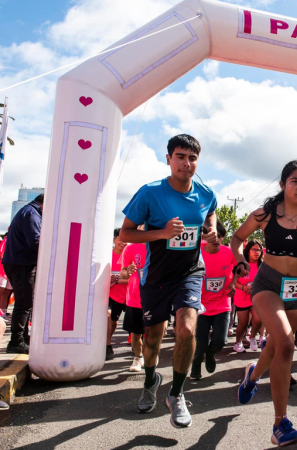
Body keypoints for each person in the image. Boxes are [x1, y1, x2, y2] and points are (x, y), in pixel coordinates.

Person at [120, 134, 218, 428]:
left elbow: (210, 214)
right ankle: (151, 380)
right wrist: (161, 233)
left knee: (187, 330)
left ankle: (176, 394)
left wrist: (211, 233)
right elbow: (125, 233)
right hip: (156, 277)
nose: (186, 164)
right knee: (153, 337)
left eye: (192, 158)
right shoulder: (149, 193)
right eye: (180, 157)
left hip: (189, 272)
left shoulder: (206, 193)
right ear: (168, 159)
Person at [233, 160, 297, 447]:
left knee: (277, 346)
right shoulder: (266, 214)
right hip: (267, 283)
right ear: (282, 184)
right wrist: (240, 260)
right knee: (286, 344)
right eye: (295, 181)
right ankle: (280, 423)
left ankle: (252, 375)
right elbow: (237, 237)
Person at [190, 221, 237, 379]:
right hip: (201, 305)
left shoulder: (228, 253)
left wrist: (234, 281)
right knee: (200, 343)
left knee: (220, 340)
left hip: (222, 304)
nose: (217, 240)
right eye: (213, 237)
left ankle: (210, 355)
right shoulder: (197, 252)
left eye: (221, 237)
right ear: (205, 237)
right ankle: (196, 365)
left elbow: (240, 266)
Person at [2, 193, 43, 354]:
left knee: (25, 302)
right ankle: (16, 341)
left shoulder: (29, 212)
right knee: (24, 303)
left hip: (18, 262)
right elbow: (36, 241)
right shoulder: (32, 214)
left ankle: (23, 339)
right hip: (22, 263)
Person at [119, 241, 147, 372]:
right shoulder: (130, 248)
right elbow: (123, 272)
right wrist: (127, 272)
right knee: (135, 334)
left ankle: (151, 354)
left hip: (155, 299)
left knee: (155, 333)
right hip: (135, 299)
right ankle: (138, 357)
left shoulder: (161, 245)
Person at [233, 240, 264, 353]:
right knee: (243, 323)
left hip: (256, 298)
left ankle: (253, 337)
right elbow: (233, 282)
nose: (257, 252)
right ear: (248, 250)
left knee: (259, 318)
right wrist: (243, 288)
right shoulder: (241, 264)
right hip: (241, 298)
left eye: (259, 250)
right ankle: (238, 342)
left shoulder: (262, 265)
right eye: (254, 249)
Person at [106, 228, 129, 360]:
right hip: (111, 295)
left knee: (133, 324)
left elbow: (134, 277)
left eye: (125, 240)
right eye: (120, 239)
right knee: (112, 321)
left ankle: (137, 345)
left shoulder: (129, 255)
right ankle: (107, 345)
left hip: (129, 296)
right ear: (114, 240)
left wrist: (119, 280)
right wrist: (108, 282)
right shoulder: (107, 256)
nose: (123, 242)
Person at [0, 232, 14, 318]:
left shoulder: (16, 242)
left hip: (11, 272)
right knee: (1, 291)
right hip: (3, 271)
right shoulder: (5, 241)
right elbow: (2, 255)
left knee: (6, 293)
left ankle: (3, 313)